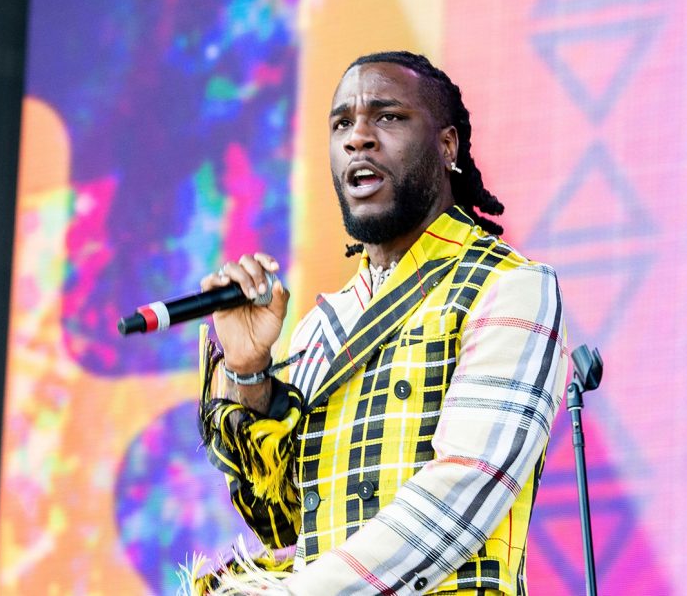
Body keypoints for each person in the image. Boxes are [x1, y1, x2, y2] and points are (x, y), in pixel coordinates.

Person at [192, 51, 568, 595]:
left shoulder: (512, 287)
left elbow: (463, 491)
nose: (358, 138)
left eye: (387, 116)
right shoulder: (321, 325)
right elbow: (284, 524)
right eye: (342, 124)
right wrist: (248, 371)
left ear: (447, 146)